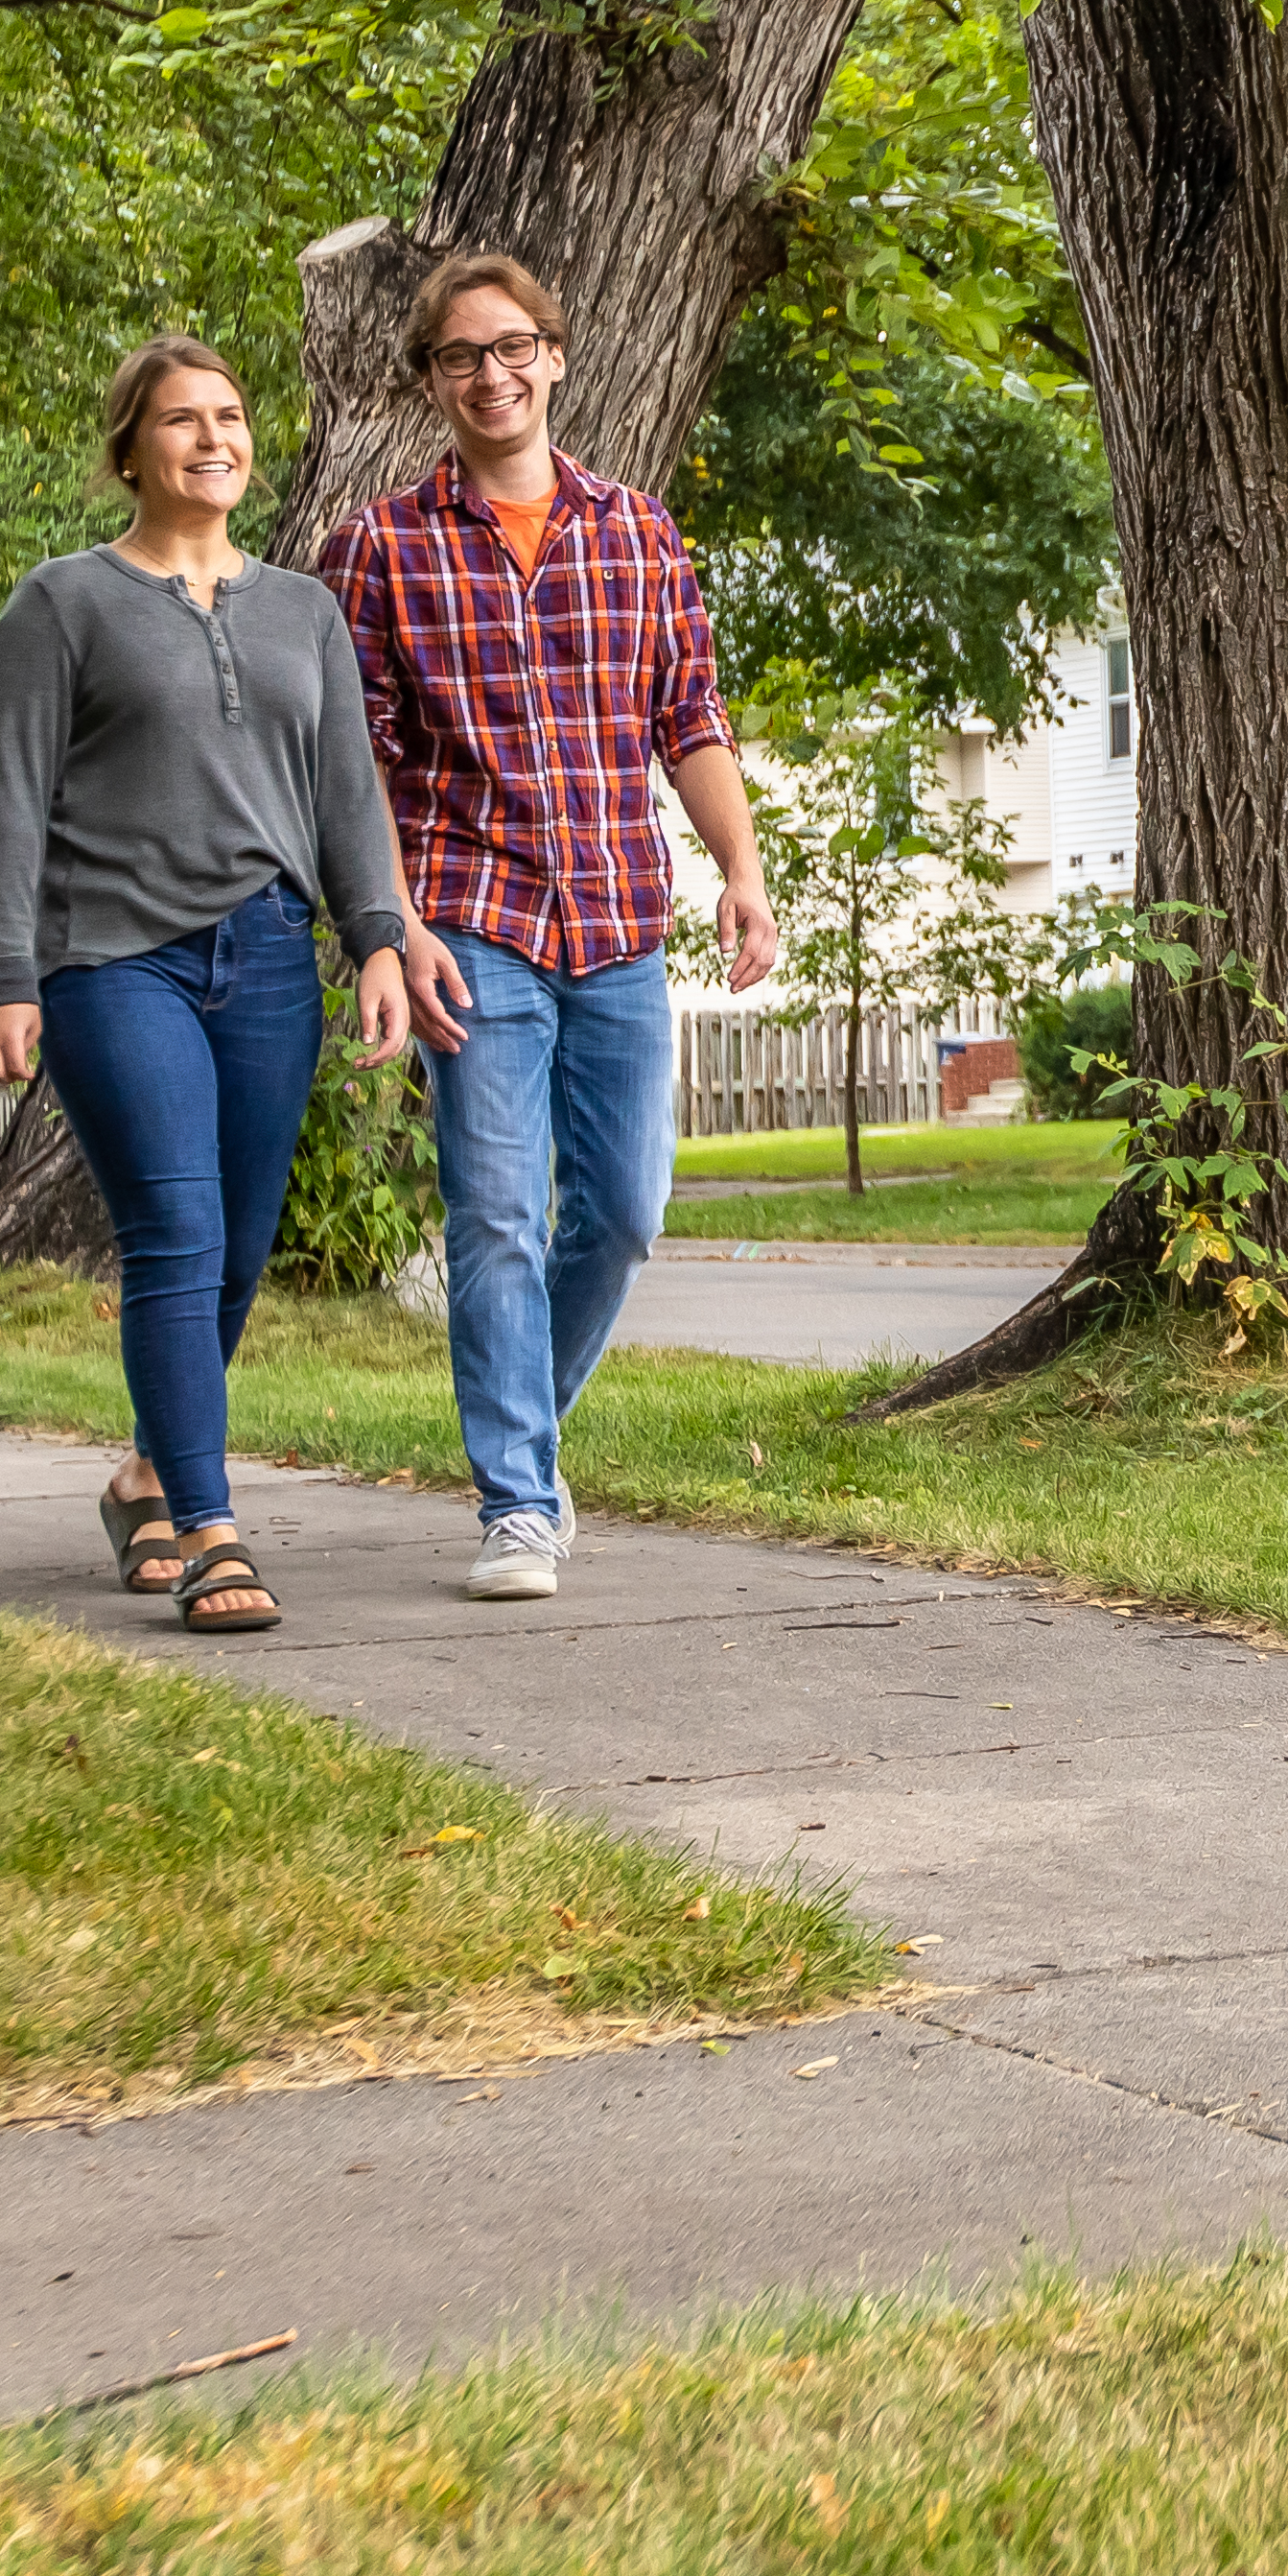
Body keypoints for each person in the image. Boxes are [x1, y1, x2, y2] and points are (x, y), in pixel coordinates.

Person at [326, 247, 779, 1601]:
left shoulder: (636, 530)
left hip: (621, 916)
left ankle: (531, 1430)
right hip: (473, 921)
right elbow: (361, 761)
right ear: (430, 381)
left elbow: (685, 717)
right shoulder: (381, 548)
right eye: (462, 354)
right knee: (496, 1216)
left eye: (513, 345)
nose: (492, 372)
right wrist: (395, 925)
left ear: (556, 356)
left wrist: (740, 872)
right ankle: (519, 1501)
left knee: (629, 1212)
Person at [0, 336, 423, 1637]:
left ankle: (147, 1478)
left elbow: (346, 793)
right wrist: (5, 974)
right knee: (176, 1226)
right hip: (113, 959)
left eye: (229, 415)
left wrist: (378, 936)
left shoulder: (302, 611)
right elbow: (10, 805)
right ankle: (214, 1527)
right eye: (180, 420)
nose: (212, 437)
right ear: (131, 448)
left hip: (270, 953)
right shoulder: (62, 605)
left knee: (234, 1247)